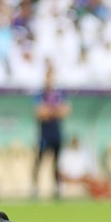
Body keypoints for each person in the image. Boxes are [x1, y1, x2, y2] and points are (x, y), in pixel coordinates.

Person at [32, 68, 69, 200]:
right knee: (39, 161)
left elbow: (66, 110)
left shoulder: (60, 94)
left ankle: (57, 189)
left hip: (56, 133)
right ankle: (35, 188)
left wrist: (50, 111)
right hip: (44, 133)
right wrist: (55, 111)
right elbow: (40, 112)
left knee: (57, 163)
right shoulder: (40, 94)